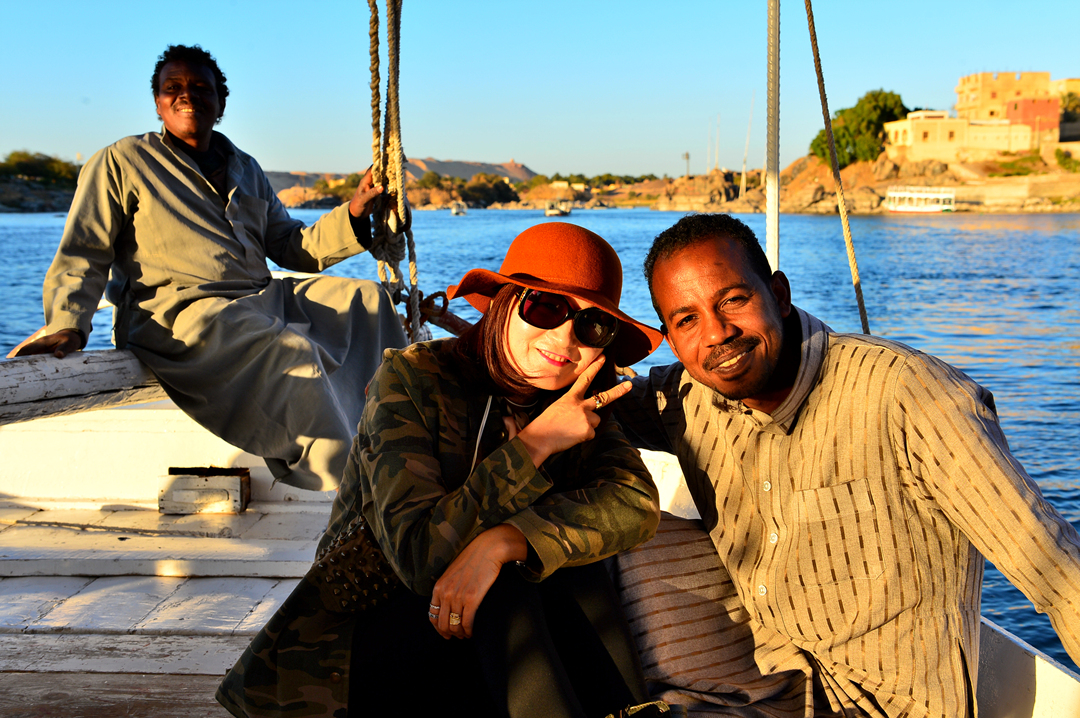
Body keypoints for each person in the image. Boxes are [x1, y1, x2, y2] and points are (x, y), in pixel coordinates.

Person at [611, 213, 1080, 717]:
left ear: (779, 295)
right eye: (687, 320)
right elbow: (582, 400)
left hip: (887, 707)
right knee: (609, 527)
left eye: (733, 300)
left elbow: (1051, 565)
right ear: (671, 338)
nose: (717, 333)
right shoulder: (686, 396)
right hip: (768, 683)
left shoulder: (907, 394)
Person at [215, 222, 670, 718]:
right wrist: (537, 444)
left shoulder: (578, 400)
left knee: (564, 569)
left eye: (592, 326)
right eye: (546, 308)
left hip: (487, 637)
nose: (564, 337)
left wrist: (504, 543)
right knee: (511, 585)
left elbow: (635, 504)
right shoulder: (413, 378)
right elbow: (418, 557)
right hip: (364, 633)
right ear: (505, 304)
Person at [12, 44, 406, 490]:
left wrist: (354, 211)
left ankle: (395, 442)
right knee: (290, 351)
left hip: (261, 298)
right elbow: (85, 250)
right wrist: (68, 324)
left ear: (221, 102)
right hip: (180, 313)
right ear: (158, 102)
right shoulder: (122, 161)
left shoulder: (245, 167)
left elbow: (292, 247)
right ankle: (342, 480)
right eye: (173, 87)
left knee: (367, 300)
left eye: (201, 87)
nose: (187, 95)